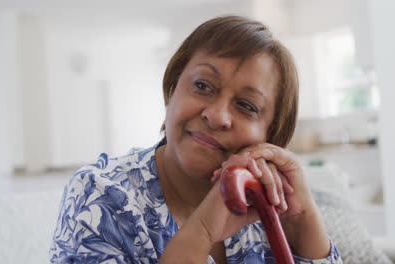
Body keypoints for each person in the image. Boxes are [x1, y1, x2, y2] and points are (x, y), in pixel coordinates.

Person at [49, 15, 342, 263]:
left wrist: (302, 219)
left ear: (271, 135)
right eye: (203, 85)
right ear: (173, 87)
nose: (216, 115)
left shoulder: (269, 201)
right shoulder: (100, 194)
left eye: (247, 106)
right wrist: (202, 230)